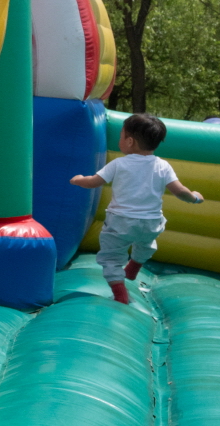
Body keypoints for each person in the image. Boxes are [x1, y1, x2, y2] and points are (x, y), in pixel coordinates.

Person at [71, 112, 204, 304]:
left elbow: (93, 182)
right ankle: (134, 265)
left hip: (121, 222)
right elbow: (180, 191)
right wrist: (195, 198)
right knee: (146, 243)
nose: (120, 140)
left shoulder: (119, 164)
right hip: (151, 222)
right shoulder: (163, 166)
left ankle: (120, 293)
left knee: (111, 257)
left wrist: (78, 180)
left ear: (130, 141)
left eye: (121, 136)